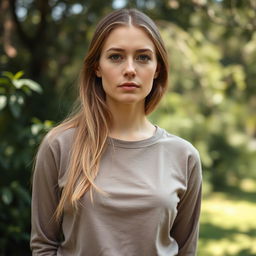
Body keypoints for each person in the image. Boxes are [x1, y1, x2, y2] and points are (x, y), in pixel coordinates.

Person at [30, 8, 202, 256]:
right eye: (116, 57)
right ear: (97, 67)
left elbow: (186, 251)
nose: (130, 69)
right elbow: (43, 247)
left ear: (157, 69)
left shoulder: (184, 156)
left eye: (143, 57)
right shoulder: (60, 144)